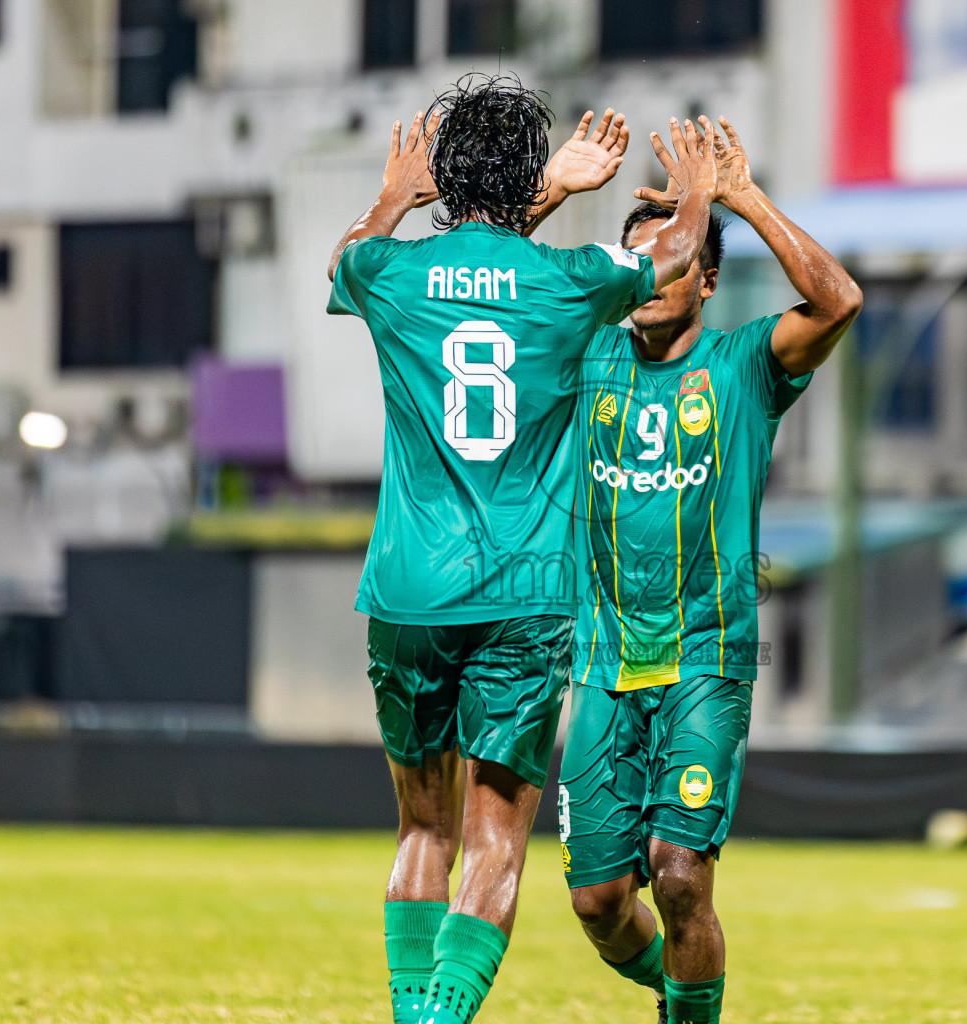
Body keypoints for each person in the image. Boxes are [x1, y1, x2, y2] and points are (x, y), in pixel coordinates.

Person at [325, 75, 720, 1024]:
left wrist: (396, 192)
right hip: (523, 598)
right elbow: (667, 260)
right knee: (497, 848)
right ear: (531, 176)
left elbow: (349, 258)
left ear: (443, 176)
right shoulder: (572, 279)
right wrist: (699, 188)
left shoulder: (390, 273)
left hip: (409, 591)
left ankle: (412, 1012)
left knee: (424, 828)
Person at [558, 116, 863, 1024]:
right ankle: (684, 992)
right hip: (603, 665)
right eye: (638, 261)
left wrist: (739, 195)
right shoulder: (585, 356)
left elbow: (839, 300)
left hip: (707, 662)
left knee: (679, 874)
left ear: (708, 275)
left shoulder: (745, 365)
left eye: (673, 256)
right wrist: (563, 186)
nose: (653, 276)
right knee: (599, 903)